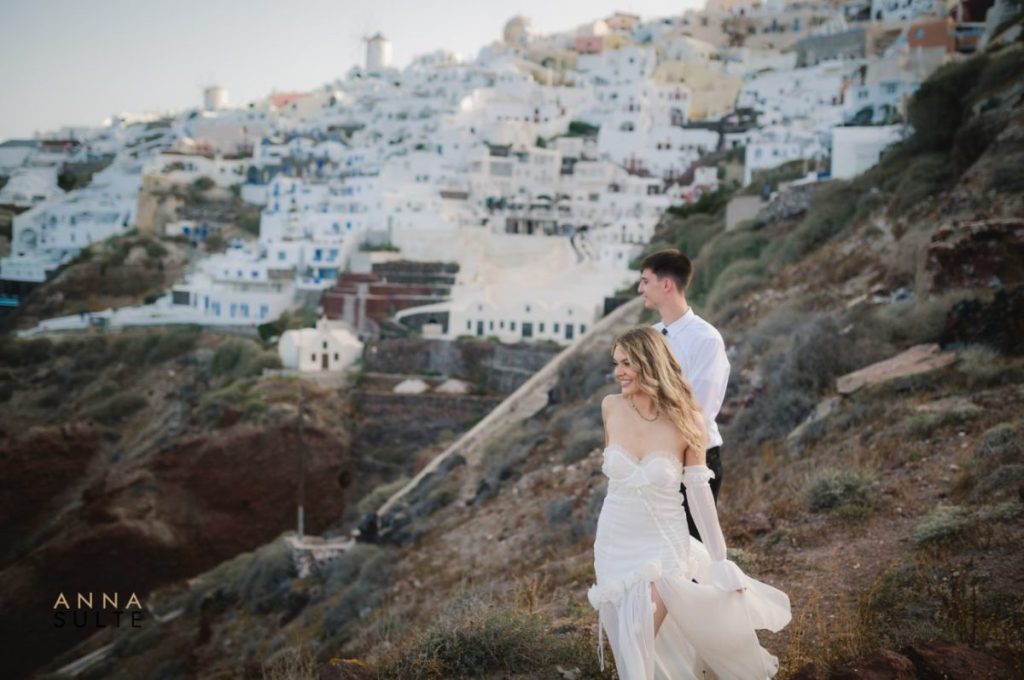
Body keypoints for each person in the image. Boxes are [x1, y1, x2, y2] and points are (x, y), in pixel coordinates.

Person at [588, 327, 789, 679]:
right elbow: (616, 483)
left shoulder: (687, 419)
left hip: (662, 545)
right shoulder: (610, 408)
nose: (618, 371)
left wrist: (720, 559)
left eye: (627, 362)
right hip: (613, 542)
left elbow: (698, 495)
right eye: (615, 363)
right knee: (625, 645)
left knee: (638, 637)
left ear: (650, 363)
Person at [638, 249, 729, 539]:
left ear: (666, 285)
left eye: (645, 281)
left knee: (692, 556)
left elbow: (700, 409)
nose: (640, 288)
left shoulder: (706, 339)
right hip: (656, 459)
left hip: (695, 461)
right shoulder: (651, 335)